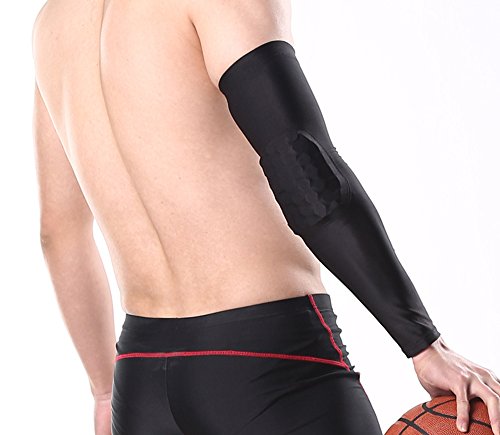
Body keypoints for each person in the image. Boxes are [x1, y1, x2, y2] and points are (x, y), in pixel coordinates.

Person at [31, 0, 500, 434]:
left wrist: (104, 391)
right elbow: (304, 169)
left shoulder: (54, 25)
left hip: (140, 383)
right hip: (270, 366)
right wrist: (422, 343)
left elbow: (59, 233)